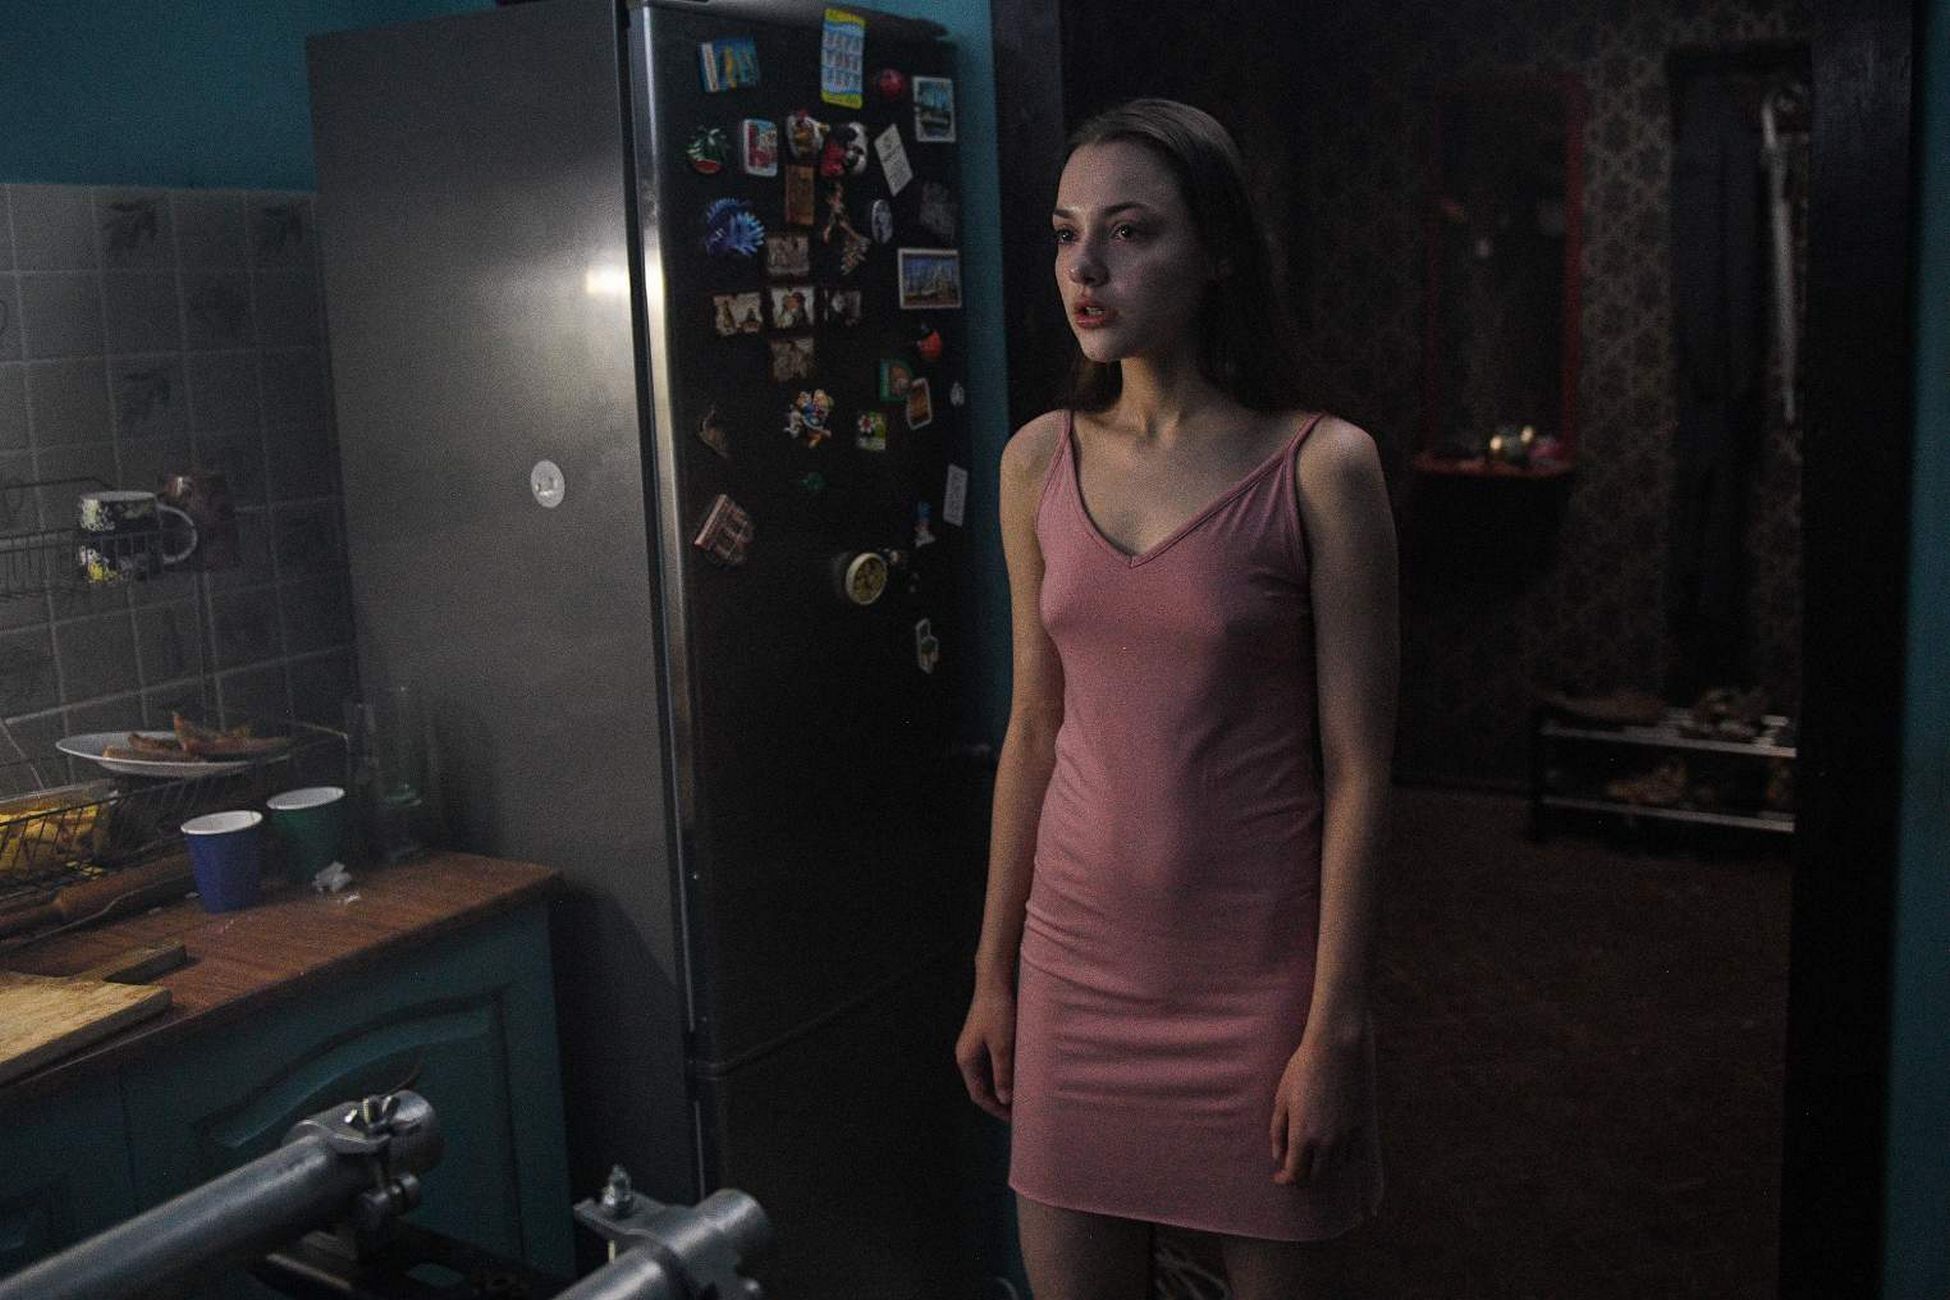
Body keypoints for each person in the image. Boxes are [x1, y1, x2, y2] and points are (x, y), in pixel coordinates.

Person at [955, 98, 1399, 1299]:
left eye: (1130, 231)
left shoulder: (1323, 466)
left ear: (1218, 254)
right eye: (1066, 233)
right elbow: (1034, 731)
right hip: (1075, 979)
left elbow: (1361, 768)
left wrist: (1336, 1023)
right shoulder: (1036, 460)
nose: (1084, 268)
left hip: (1261, 993)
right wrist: (995, 974)